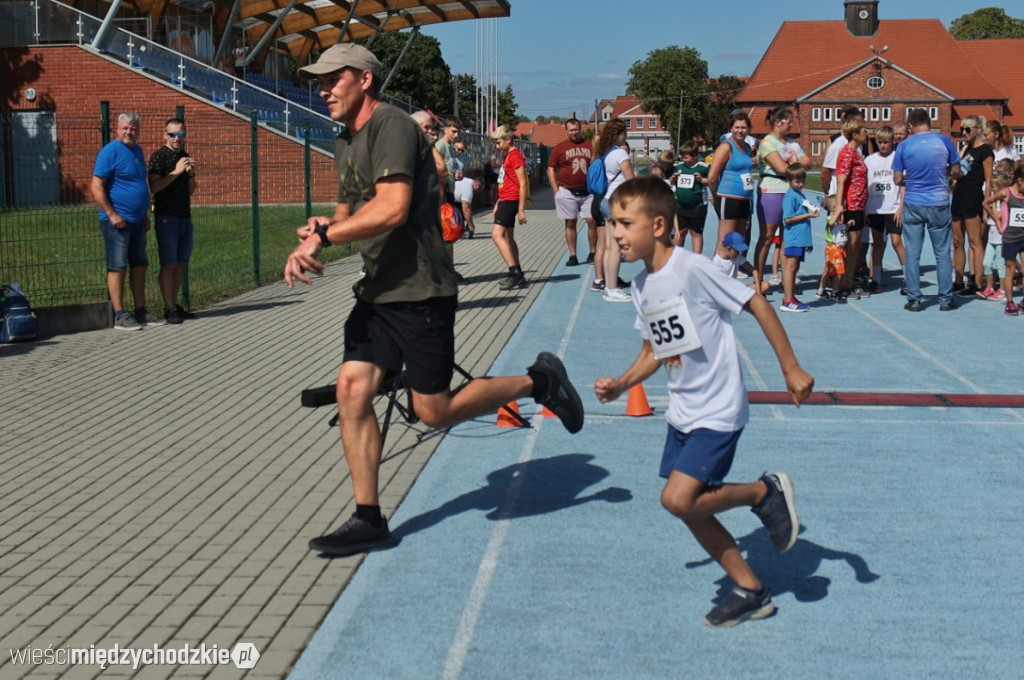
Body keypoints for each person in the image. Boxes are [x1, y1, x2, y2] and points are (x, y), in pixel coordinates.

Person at [283, 43, 585, 557]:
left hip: (421, 289)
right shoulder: (345, 138)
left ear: (364, 80)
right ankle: (369, 518)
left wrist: (329, 237)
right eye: (320, 80)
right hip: (378, 291)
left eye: (333, 78)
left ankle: (540, 380)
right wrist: (315, 235)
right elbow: (346, 207)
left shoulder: (392, 126)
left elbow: (394, 208)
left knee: (434, 411)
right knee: (351, 391)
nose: (323, 89)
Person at [594, 176, 814, 628]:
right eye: (612, 223)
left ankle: (763, 491)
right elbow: (655, 351)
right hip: (682, 412)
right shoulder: (641, 286)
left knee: (678, 499)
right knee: (692, 507)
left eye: (623, 222)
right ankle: (751, 589)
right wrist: (621, 384)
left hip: (718, 408)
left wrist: (790, 368)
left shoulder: (693, 269)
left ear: (657, 225)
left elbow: (757, 303)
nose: (615, 232)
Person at [892, 108, 961, 312]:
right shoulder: (945, 141)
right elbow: (957, 171)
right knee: (942, 253)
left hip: (914, 202)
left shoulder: (904, 145)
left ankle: (914, 299)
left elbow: (897, 179)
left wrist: (913, 178)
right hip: (939, 201)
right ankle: (945, 299)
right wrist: (941, 171)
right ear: (929, 122)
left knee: (913, 253)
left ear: (911, 126)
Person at [90, 112, 154, 331]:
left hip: (137, 221)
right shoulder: (110, 152)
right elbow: (96, 187)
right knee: (118, 266)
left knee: (140, 265)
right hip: (116, 221)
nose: (129, 132)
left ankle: (141, 310)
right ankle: (119, 314)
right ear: (117, 129)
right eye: (125, 128)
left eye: (134, 128)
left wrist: (143, 213)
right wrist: (112, 214)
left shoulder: (137, 150)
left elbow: (138, 183)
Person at [148, 117, 198, 325]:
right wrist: (176, 172)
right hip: (167, 216)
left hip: (184, 215)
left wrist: (191, 174)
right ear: (165, 135)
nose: (177, 138)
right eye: (172, 134)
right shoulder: (159, 157)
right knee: (168, 263)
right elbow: (154, 187)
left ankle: (175, 304)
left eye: (181, 134)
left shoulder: (184, 156)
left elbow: (191, 190)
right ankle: (169, 308)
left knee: (179, 263)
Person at [754, 107, 811, 286]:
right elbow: (780, 168)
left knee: (789, 236)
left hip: (791, 193)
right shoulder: (768, 143)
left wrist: (791, 163)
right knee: (768, 236)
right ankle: (759, 280)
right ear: (778, 122)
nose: (792, 124)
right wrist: (795, 163)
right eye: (790, 121)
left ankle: (787, 280)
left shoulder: (792, 143)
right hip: (772, 191)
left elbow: (808, 163)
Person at [951, 115, 994, 296]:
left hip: (974, 196)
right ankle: (959, 281)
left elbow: (989, 180)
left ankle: (977, 282)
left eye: (968, 129)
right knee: (957, 241)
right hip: (959, 195)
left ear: (978, 129)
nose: (964, 132)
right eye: (962, 129)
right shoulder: (966, 148)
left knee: (975, 242)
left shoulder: (985, 151)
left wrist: (986, 206)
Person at [829, 117, 871, 301]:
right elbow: (841, 181)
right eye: (864, 131)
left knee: (855, 246)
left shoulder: (856, 152)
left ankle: (848, 283)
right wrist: (839, 208)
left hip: (859, 205)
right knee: (851, 247)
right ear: (855, 135)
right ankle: (844, 285)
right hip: (851, 205)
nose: (867, 133)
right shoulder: (847, 153)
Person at [594, 118, 634, 302]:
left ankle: (610, 287)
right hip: (617, 201)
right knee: (616, 247)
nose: (626, 136)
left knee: (610, 247)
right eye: (624, 133)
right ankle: (612, 288)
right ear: (619, 135)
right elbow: (631, 181)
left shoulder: (606, 154)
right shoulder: (621, 155)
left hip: (606, 199)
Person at [547, 118, 597, 267]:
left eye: (576, 130)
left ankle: (593, 252)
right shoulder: (560, 148)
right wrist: (555, 189)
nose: (574, 133)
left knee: (592, 221)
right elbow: (550, 168)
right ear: (567, 131)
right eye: (571, 130)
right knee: (570, 222)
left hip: (587, 191)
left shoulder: (590, 145)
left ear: (580, 129)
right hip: (567, 190)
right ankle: (573, 255)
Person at [864, 125, 904, 293]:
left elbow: (903, 184)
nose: (883, 145)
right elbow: (865, 186)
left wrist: (901, 207)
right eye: (880, 142)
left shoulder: (898, 158)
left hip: (893, 208)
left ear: (893, 141)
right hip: (875, 209)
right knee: (878, 244)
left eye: (886, 142)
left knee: (897, 242)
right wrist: (865, 210)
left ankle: (909, 279)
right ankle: (876, 280)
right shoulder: (870, 160)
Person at [707, 112, 755, 251]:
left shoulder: (747, 148)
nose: (740, 131)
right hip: (729, 198)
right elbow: (712, 177)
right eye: (737, 127)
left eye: (744, 127)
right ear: (731, 129)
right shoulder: (726, 147)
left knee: (738, 241)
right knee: (725, 240)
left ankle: (733, 271)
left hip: (745, 199)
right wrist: (716, 197)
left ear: (749, 129)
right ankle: (716, 271)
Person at [490, 125, 529, 289]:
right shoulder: (507, 157)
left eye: (499, 142)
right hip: (505, 199)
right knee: (508, 237)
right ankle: (517, 271)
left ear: (508, 140)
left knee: (496, 235)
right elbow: (504, 181)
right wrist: (498, 203)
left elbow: (523, 182)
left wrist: (521, 209)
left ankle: (515, 272)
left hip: (512, 200)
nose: (497, 146)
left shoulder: (515, 156)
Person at [982, 164, 1024, 315]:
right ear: (1020, 181)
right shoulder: (1006, 193)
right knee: (1010, 270)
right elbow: (986, 203)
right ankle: (1010, 302)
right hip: (1010, 237)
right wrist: (998, 222)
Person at [780, 164, 819, 312]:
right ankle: (787, 300)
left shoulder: (800, 194)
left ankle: (790, 297)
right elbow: (788, 219)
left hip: (801, 238)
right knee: (790, 268)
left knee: (795, 267)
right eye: (797, 181)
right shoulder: (790, 196)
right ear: (789, 180)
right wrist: (808, 214)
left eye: (802, 181)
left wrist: (808, 242)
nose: (800, 184)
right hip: (794, 237)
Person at [978, 160, 1015, 302]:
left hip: (1001, 239)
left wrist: (992, 206)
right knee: (987, 263)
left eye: (993, 189)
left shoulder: (1003, 204)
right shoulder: (995, 202)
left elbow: (998, 216)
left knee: (1001, 265)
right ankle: (990, 287)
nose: (991, 191)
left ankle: (1003, 290)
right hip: (992, 237)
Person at [670, 141, 709, 253]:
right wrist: (673, 178)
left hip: (698, 206)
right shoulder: (679, 167)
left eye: (686, 157)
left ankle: (696, 260)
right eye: (683, 157)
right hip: (680, 205)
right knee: (680, 232)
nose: (684, 160)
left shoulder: (704, 168)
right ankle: (676, 259)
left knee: (696, 233)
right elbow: (672, 181)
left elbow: (712, 181)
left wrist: (702, 180)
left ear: (695, 156)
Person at [453, 166, 480, 238]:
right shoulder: (468, 190)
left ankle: (460, 229)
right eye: (479, 188)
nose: (479, 191)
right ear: (477, 184)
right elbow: (466, 209)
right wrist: (471, 225)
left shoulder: (468, 180)